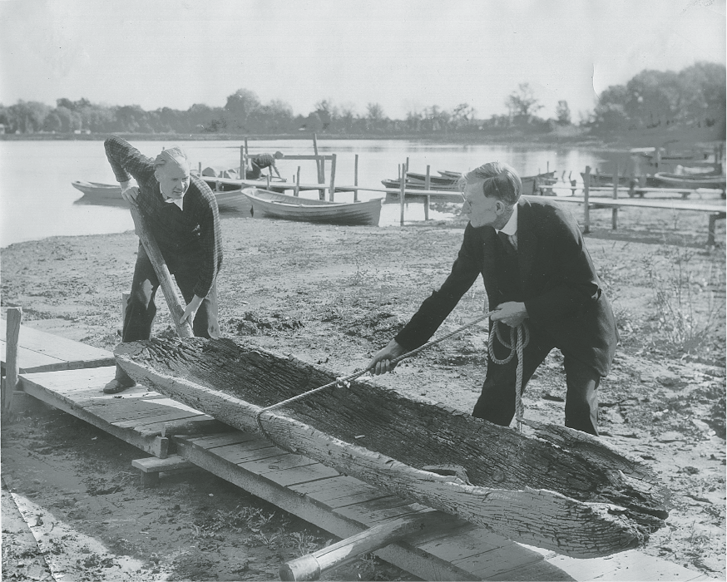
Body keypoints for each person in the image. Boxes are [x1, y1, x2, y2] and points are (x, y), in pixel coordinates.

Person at [368, 162, 618, 436]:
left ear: (499, 207)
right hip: (521, 324)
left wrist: (526, 308)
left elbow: (587, 289)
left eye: (471, 202)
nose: (464, 210)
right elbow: (449, 292)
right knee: (493, 402)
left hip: (580, 320)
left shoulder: (553, 218)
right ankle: (473, 469)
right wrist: (399, 346)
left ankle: (588, 474)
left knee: (580, 408)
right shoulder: (478, 228)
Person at [103, 136, 224, 394]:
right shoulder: (145, 170)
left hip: (192, 251)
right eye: (174, 180)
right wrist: (125, 185)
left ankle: (208, 381)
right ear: (157, 175)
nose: (181, 186)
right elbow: (111, 144)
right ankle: (127, 373)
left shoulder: (203, 198)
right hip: (154, 244)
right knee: (139, 301)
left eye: (185, 178)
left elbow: (214, 257)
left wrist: (195, 301)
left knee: (204, 318)